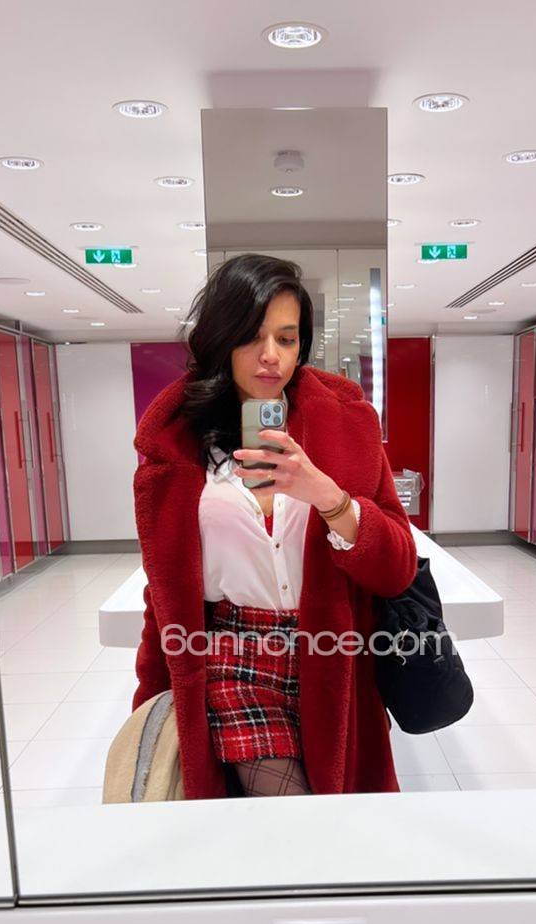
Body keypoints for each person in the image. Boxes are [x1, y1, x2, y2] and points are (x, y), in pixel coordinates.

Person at [132, 253, 417, 800]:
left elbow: (398, 568)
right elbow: (162, 591)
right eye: (251, 337)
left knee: (337, 815)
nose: (271, 356)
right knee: (292, 810)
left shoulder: (347, 427)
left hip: (333, 656)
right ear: (221, 339)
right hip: (233, 657)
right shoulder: (177, 445)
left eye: (287, 339)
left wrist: (328, 497)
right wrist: (150, 696)